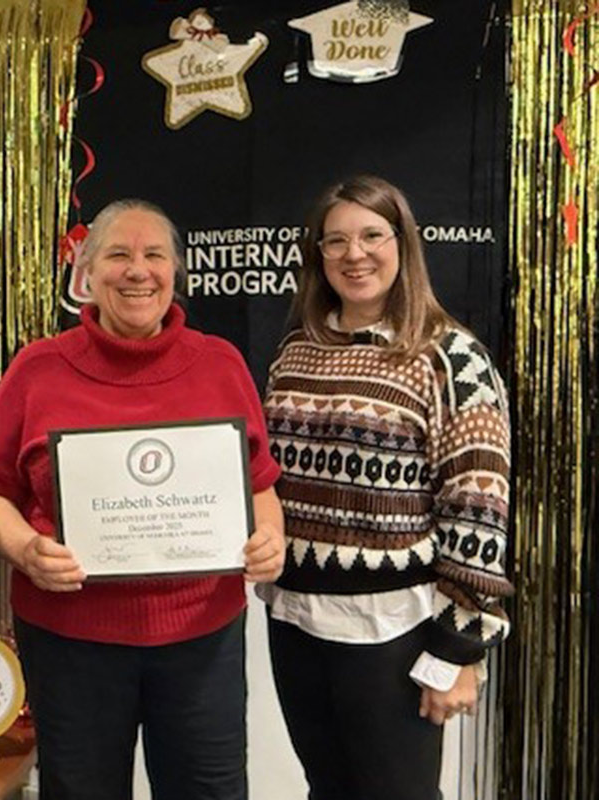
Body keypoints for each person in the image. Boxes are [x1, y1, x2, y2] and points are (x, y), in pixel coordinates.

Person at [0, 198, 285, 800]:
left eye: (154, 255)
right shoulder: (37, 370)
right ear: (87, 272)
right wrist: (26, 549)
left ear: (175, 271)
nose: (138, 270)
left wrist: (271, 537)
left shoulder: (220, 364)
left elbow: (260, 484)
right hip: (71, 641)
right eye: (118, 254)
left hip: (201, 639)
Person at [259, 174, 514, 800]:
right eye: (336, 240)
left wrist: (460, 647)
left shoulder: (451, 357)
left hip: (393, 632)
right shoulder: (296, 352)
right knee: (326, 789)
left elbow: (477, 507)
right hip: (295, 621)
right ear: (318, 253)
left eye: (373, 235)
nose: (355, 254)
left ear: (403, 244)